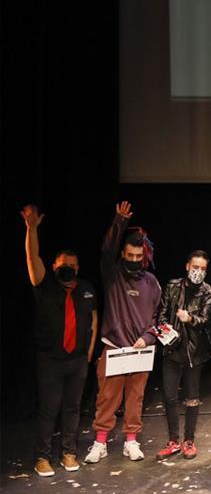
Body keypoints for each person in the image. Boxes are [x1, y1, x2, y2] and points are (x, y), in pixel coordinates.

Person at [22, 205, 98, 477]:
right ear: (55, 266)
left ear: (78, 268)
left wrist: (88, 353)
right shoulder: (44, 284)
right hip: (50, 359)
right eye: (64, 265)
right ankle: (42, 458)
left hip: (77, 360)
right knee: (48, 409)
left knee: (73, 408)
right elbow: (32, 258)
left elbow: (93, 320)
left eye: (73, 266)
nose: (68, 269)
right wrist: (31, 229)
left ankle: (68, 453)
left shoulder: (86, 288)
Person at [84, 201, 162, 465]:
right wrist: (119, 222)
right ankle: (100, 443)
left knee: (135, 398)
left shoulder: (152, 283)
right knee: (107, 397)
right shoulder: (113, 274)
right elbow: (107, 250)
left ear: (145, 256)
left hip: (140, 350)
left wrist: (148, 338)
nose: (133, 261)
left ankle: (131, 442)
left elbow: (157, 319)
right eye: (128, 256)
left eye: (138, 257)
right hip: (115, 347)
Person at [153, 250, 211, 461]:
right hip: (172, 349)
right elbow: (161, 313)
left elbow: (205, 320)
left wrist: (189, 318)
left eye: (203, 269)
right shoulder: (172, 286)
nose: (198, 272)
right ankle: (173, 441)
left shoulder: (208, 292)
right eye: (195, 267)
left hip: (194, 352)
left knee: (192, 398)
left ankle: (189, 440)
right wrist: (165, 329)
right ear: (187, 266)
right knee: (170, 397)